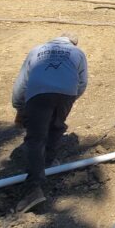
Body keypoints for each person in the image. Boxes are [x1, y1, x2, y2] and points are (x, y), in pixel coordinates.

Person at [11, 32, 88, 213]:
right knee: (56, 127)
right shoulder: (77, 53)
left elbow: (22, 81)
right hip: (66, 93)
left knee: (35, 138)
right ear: (73, 43)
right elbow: (82, 82)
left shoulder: (37, 50)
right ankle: (47, 163)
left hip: (38, 93)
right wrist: (68, 98)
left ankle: (33, 189)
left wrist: (19, 106)